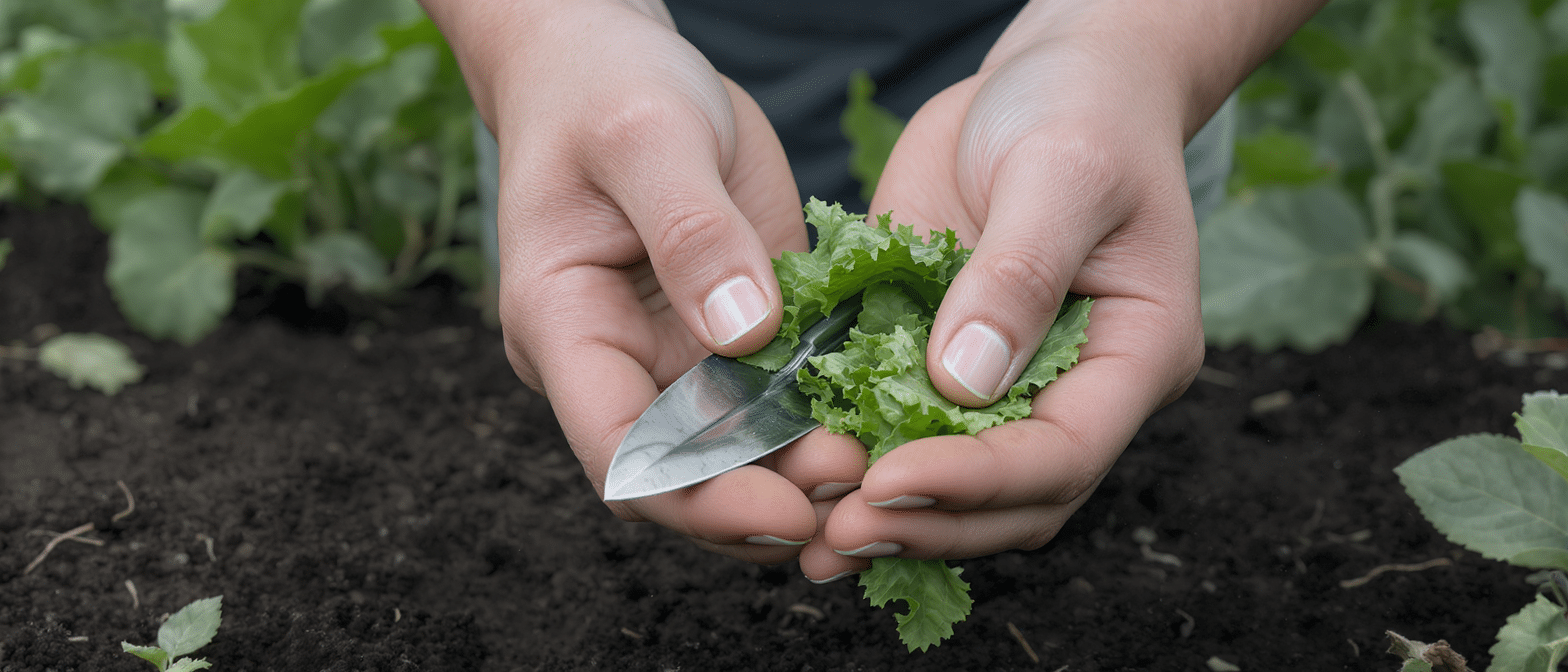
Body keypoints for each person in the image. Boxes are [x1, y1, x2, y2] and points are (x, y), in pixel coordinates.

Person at [418, 0, 1327, 585]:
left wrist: (1142, 53)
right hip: (612, 120)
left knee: (1080, 474)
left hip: (1089, 116)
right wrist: (540, 40)